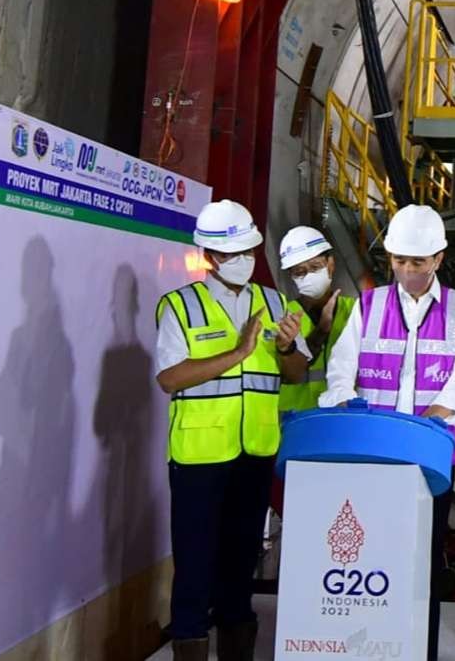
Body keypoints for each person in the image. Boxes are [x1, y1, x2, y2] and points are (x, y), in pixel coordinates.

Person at [319, 205, 455, 661]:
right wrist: (346, 402)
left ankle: (418, 651)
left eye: (417, 262)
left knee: (422, 565)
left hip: (429, 463)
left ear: (438, 259)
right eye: (399, 261)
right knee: (371, 563)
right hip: (373, 460)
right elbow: (340, 373)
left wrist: (411, 435)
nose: (407, 271)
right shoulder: (368, 306)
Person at [155, 199, 308, 661]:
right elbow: (169, 378)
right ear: (209, 255)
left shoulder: (275, 301)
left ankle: (237, 646)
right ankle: (190, 639)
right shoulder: (180, 305)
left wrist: (285, 349)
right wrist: (237, 352)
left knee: (241, 560)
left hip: (255, 452)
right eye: (232, 253)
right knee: (196, 563)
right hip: (199, 457)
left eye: (249, 251)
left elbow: (297, 374)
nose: (244, 261)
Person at [277, 226, 356, 413]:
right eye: (299, 271)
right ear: (291, 276)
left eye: (315, 267)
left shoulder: (356, 311)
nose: (308, 276)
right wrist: (321, 330)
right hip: (297, 421)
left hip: (343, 419)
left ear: (331, 264)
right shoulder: (282, 315)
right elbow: (287, 375)